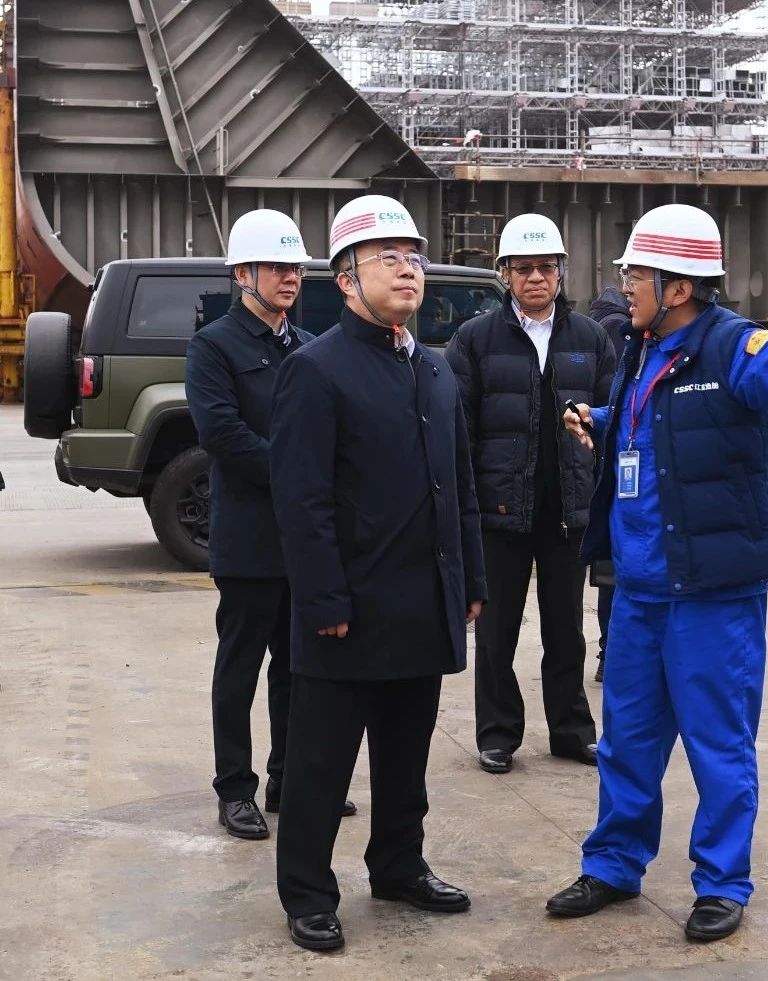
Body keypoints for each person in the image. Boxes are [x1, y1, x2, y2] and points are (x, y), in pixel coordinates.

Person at [548, 204, 768, 942]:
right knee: (627, 739)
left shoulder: (728, 346)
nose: (625, 286)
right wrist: (600, 418)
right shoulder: (642, 348)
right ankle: (614, 863)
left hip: (712, 594)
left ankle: (721, 881)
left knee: (718, 744)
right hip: (640, 589)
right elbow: (649, 423)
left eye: (637, 275)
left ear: (678, 287)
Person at [270, 195, 486, 952]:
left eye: (414, 257)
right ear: (346, 278)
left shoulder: (434, 370)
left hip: (420, 602)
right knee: (321, 763)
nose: (407, 270)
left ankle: (398, 865)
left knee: (405, 755)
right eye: (387, 258)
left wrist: (470, 580)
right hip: (348, 609)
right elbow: (301, 500)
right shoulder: (315, 370)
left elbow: (458, 484)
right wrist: (323, 597)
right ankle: (307, 891)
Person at [185, 209, 355, 841]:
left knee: (298, 667)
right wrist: (298, 476)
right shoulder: (214, 347)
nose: (290, 278)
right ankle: (235, 789)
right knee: (240, 668)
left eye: (296, 268)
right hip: (250, 540)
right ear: (242, 274)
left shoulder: (308, 346)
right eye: (278, 267)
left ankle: (290, 780)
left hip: (304, 542)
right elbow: (223, 435)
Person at [446, 214, 616, 775]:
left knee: (566, 630)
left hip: (568, 509)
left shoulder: (590, 338)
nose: (536, 278)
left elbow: (615, 420)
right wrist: (469, 504)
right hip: (500, 512)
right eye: (523, 268)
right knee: (496, 633)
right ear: (504, 273)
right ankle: (498, 734)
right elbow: (459, 430)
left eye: (546, 267)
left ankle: (571, 730)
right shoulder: (474, 339)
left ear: (562, 271)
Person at [585, 285, 630, 684]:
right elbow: (618, 395)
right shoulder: (619, 327)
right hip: (617, 460)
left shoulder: (596, 322)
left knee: (609, 572)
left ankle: (609, 651)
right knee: (615, 572)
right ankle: (611, 652)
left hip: (602, 460)